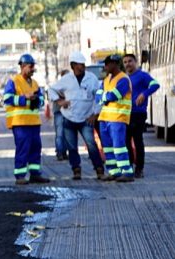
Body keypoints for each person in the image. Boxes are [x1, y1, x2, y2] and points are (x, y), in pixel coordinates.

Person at [47, 51, 106, 180]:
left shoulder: (92, 79)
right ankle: (76, 169)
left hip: (86, 118)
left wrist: (95, 114)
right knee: (72, 147)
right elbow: (51, 89)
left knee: (91, 144)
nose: (82, 67)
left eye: (83, 64)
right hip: (69, 117)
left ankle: (99, 169)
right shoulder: (66, 79)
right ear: (73, 65)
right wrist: (59, 101)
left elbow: (99, 96)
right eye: (79, 65)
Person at [2, 54, 50, 185]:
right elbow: (7, 99)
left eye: (33, 66)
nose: (33, 69)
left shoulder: (35, 83)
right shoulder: (13, 81)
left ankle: (35, 174)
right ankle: (20, 176)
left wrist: (37, 100)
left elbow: (41, 99)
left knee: (35, 148)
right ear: (23, 66)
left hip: (34, 122)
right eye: (31, 66)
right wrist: (25, 98)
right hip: (20, 123)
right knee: (23, 148)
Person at [96, 53, 134, 182]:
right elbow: (98, 97)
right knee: (107, 147)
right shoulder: (106, 80)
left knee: (119, 145)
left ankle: (127, 172)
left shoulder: (123, 79)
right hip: (104, 118)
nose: (105, 66)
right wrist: (106, 97)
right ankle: (114, 171)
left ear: (115, 64)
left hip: (118, 118)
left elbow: (114, 95)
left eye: (108, 63)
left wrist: (105, 97)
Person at [122, 53, 161, 178]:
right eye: (125, 62)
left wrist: (144, 94)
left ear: (135, 62)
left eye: (130, 61)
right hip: (125, 114)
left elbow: (155, 85)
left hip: (138, 113)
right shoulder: (123, 77)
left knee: (137, 140)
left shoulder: (142, 75)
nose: (128, 64)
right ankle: (129, 166)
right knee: (126, 141)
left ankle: (139, 168)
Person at [51, 69, 68, 161]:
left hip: (68, 113)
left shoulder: (70, 86)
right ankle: (59, 152)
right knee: (60, 133)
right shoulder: (57, 86)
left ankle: (64, 152)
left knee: (66, 133)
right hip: (59, 112)